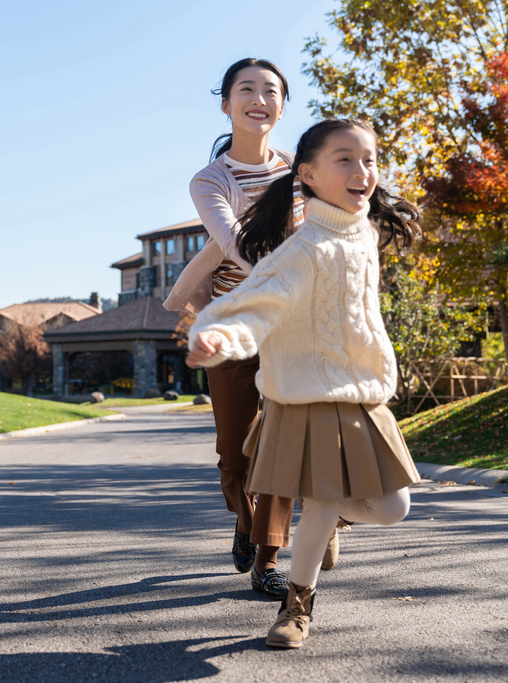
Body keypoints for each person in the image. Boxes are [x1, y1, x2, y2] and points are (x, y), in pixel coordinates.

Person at [187, 119, 422, 649]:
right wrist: (218, 337)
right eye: (345, 159)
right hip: (307, 395)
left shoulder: (363, 233)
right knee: (316, 503)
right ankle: (296, 609)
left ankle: (335, 514)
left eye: (369, 159)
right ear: (308, 175)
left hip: (361, 394)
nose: (362, 171)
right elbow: (257, 305)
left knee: (392, 507)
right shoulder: (303, 248)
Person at [164, 58, 322, 601]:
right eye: (246, 90)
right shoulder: (211, 180)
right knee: (235, 453)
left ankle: (268, 557)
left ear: (282, 105)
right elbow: (235, 246)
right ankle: (245, 519)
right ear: (226, 103)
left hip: (290, 325)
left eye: (271, 91)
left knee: (279, 442)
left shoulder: (303, 172)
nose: (259, 99)